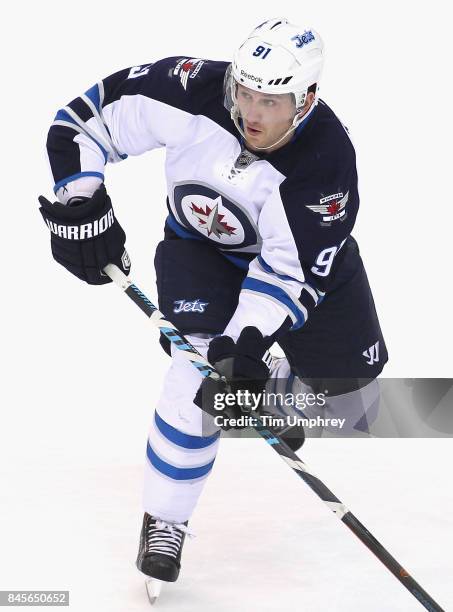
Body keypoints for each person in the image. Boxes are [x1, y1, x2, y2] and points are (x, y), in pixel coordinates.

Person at [39, 17, 388, 591]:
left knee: (352, 387)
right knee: (194, 377)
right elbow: (86, 119)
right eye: (244, 93)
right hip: (198, 252)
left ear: (305, 100)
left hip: (296, 263)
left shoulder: (326, 165)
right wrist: (80, 197)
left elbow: (288, 274)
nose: (250, 112)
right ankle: (165, 520)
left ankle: (277, 388)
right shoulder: (191, 88)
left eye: (270, 101)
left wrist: (244, 347)